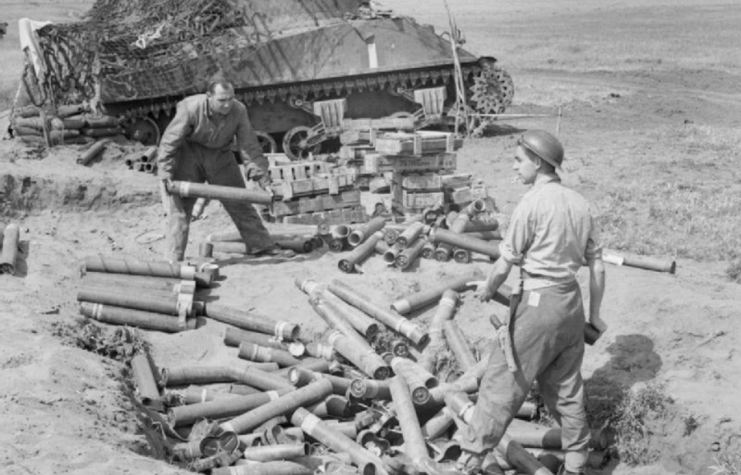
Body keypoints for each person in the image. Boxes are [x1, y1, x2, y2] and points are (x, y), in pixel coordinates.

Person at [462, 130, 607, 475]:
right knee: (567, 390)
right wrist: (595, 316)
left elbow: (504, 263)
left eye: (518, 160)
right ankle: (576, 465)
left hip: (538, 305)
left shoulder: (531, 203)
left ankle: (469, 460)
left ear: (539, 162)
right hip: (571, 306)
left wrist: (487, 287)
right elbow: (597, 265)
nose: (515, 167)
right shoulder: (581, 204)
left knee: (502, 382)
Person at [157, 76, 288, 262]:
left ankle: (261, 245)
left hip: (220, 156)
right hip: (189, 155)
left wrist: (263, 180)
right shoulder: (190, 107)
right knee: (180, 209)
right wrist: (166, 172)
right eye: (221, 100)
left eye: (230, 99)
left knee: (239, 200)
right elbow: (170, 140)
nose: (227, 105)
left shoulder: (239, 110)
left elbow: (249, 146)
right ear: (208, 96)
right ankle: (173, 259)